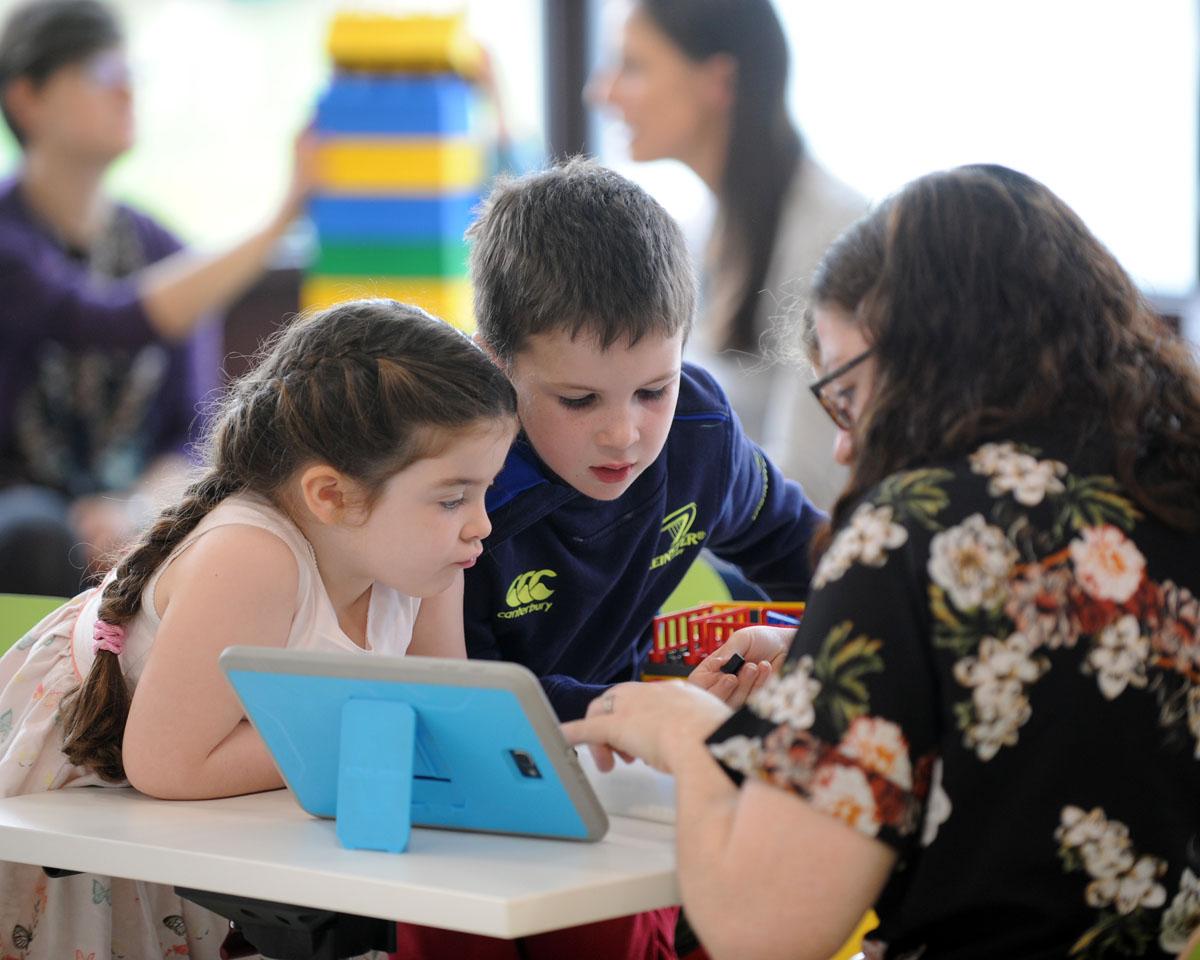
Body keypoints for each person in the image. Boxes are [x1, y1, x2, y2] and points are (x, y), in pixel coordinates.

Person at [564, 164, 1200, 959]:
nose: (842, 442)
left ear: (932, 363)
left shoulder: (907, 531)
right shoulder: (1168, 491)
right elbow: (1055, 671)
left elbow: (763, 932)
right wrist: (826, 653)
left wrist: (693, 737)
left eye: (850, 394)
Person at [390, 159, 823, 959]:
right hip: (456, 803)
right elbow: (461, 695)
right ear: (496, 365)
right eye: (580, 400)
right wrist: (644, 711)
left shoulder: (700, 435)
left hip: (618, 796)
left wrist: (832, 630)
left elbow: (806, 549)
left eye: (651, 389)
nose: (624, 434)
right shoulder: (458, 483)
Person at [0, 299, 518, 959]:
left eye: (484, 491)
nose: (481, 524)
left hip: (226, 824)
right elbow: (165, 764)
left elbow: (442, 717)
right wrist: (372, 731)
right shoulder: (256, 559)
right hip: (95, 815)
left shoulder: (427, 561)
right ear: (330, 495)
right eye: (452, 498)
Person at [0, 0, 315, 595]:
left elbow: (193, 426)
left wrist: (134, 506)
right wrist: (280, 220)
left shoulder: (158, 246)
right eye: (101, 75)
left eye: (131, 76)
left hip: (127, 503)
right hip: (21, 510)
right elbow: (103, 319)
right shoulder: (9, 239)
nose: (126, 94)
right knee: (37, 540)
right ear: (26, 99)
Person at [590, 0, 867, 510]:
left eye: (632, 66)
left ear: (717, 80)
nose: (601, 92)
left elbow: (811, 484)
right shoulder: (699, 231)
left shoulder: (832, 237)